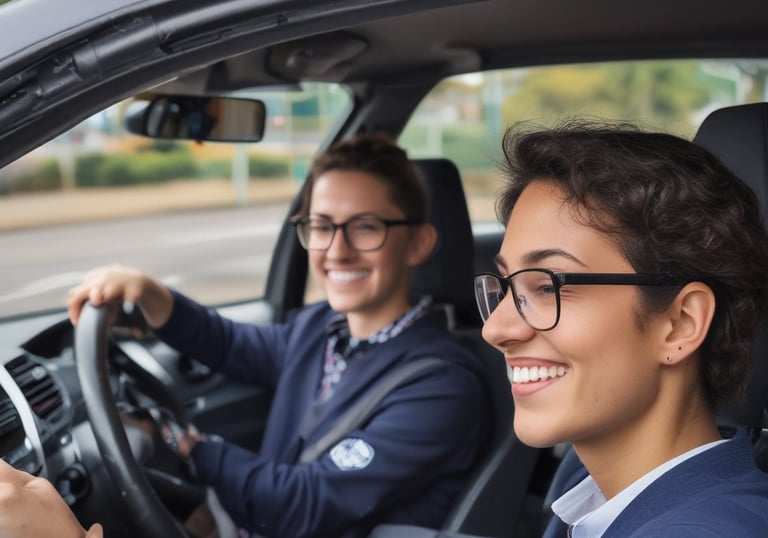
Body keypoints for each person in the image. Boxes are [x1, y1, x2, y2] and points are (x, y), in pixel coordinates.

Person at [45, 132, 491, 538]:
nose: (337, 250)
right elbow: (232, 346)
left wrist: (186, 446)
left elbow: (306, 505)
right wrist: (151, 293)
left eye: (366, 226)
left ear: (418, 243)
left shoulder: (441, 386)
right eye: (320, 226)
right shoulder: (320, 328)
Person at [474, 120, 768, 536]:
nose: (496, 329)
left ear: (680, 323)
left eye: (546, 285)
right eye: (506, 287)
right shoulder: (591, 490)